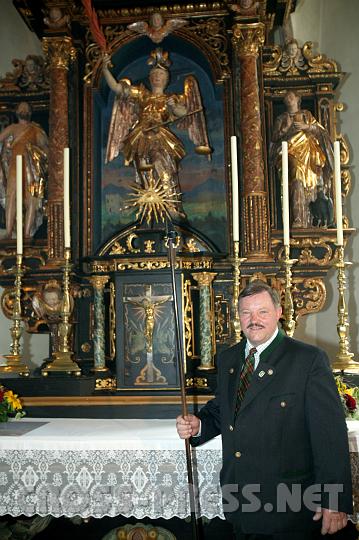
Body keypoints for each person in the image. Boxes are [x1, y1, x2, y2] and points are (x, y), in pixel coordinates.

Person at [176, 280, 352, 539]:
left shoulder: (307, 360)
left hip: (290, 506)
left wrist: (334, 502)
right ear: (239, 317)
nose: (253, 319)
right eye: (246, 312)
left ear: (279, 313)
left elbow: (331, 436)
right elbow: (224, 409)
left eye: (262, 312)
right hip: (241, 500)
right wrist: (198, 425)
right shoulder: (229, 359)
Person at [102, 48, 211, 217]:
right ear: (150, 78)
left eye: (160, 75)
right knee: (144, 169)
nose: (157, 77)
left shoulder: (171, 98)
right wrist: (104, 69)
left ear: (166, 80)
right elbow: (117, 88)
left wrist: (173, 106)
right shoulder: (141, 95)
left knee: (165, 166)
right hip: (141, 137)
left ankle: (170, 206)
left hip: (161, 137)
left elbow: (185, 112)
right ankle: (148, 206)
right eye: (154, 75)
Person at [271, 90, 333, 228]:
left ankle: (311, 220)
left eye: (291, 96)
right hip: (291, 153)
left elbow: (321, 132)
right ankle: (298, 218)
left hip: (308, 153)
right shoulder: (281, 118)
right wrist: (285, 129)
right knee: (297, 181)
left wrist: (307, 127)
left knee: (310, 184)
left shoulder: (306, 114)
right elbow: (274, 139)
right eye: (286, 97)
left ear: (298, 99)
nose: (288, 99)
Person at [0, 101, 48, 239]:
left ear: (30, 112)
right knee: (11, 197)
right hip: (15, 166)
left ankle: (27, 233)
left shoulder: (36, 130)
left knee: (31, 199)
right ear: (17, 112)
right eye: (21, 108)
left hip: (31, 168)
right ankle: (9, 232)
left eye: (26, 109)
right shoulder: (12, 128)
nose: (24, 110)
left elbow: (45, 148)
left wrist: (40, 153)